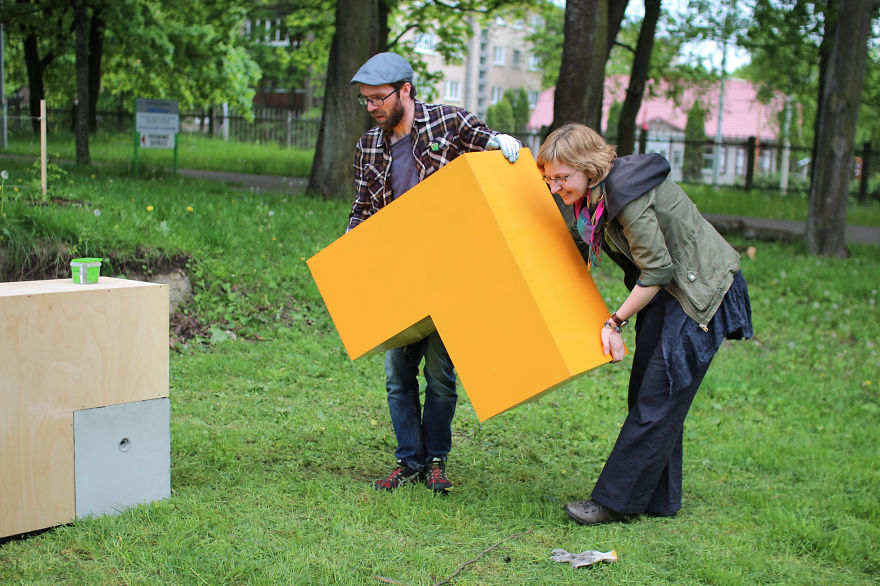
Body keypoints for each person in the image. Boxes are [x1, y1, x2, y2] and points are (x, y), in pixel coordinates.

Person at [535, 123, 753, 524]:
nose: (555, 188)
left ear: (589, 167)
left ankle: (615, 502)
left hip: (699, 290)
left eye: (562, 178)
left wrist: (614, 322)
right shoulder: (591, 199)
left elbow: (657, 268)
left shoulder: (626, 196)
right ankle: (659, 498)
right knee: (647, 395)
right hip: (668, 290)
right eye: (549, 179)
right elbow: (578, 246)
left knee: (659, 393)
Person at [347, 52, 521, 493]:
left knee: (441, 375)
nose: (371, 108)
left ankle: (437, 460)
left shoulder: (447, 122)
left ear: (405, 90)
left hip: (450, 273)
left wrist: (502, 142)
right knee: (397, 374)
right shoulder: (368, 145)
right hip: (398, 274)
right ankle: (409, 461)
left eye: (377, 99)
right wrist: (349, 261)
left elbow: (487, 144)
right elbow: (363, 210)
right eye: (365, 101)